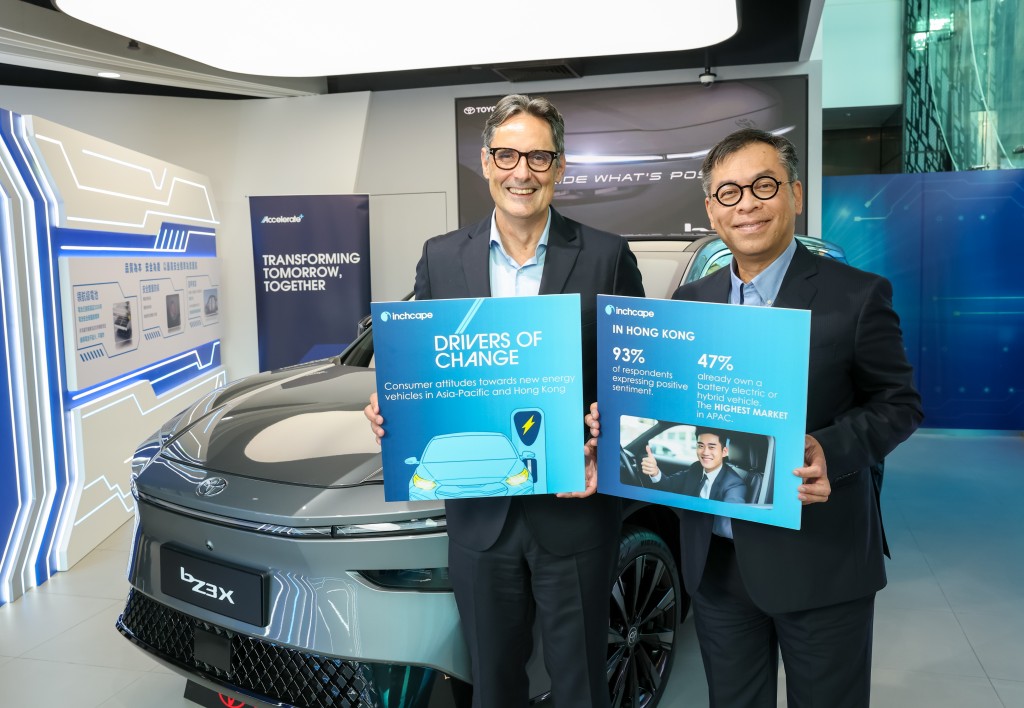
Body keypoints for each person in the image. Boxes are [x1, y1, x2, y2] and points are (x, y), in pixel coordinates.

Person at [587, 128, 923, 707]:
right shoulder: (689, 305)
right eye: (728, 193)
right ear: (712, 213)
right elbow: (666, 414)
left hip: (821, 560)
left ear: (794, 194)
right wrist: (616, 423)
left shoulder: (858, 296)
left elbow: (899, 403)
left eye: (763, 186)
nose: (746, 203)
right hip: (716, 565)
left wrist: (830, 449)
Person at [364, 94, 644, 708]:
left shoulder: (606, 255)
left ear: (560, 167)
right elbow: (417, 357)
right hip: (478, 519)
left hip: (575, 508)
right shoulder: (441, 257)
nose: (523, 171)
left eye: (539, 156)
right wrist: (390, 401)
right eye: (507, 155)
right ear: (486, 163)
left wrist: (608, 435)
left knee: (581, 684)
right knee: (492, 681)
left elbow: (635, 379)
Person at [640, 428, 747, 503]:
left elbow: (728, 522)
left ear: (724, 452)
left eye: (711, 447)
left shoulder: (734, 484)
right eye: (700, 446)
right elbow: (669, 485)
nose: (705, 452)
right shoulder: (696, 468)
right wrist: (655, 472)